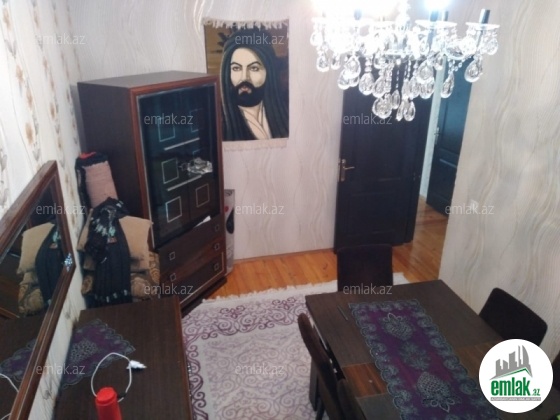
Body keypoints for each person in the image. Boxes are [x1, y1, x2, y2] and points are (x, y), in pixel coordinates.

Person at [219, 28, 289, 141]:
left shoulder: (287, 112)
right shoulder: (218, 122)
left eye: (254, 68)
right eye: (236, 68)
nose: (244, 77)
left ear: (268, 72)